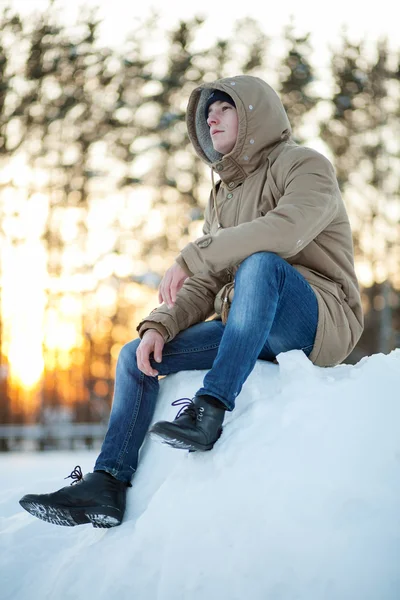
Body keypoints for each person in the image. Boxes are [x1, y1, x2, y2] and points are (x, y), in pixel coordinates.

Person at [19, 75, 364, 528]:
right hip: (247, 323)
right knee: (135, 356)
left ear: (254, 113)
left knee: (260, 264)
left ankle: (211, 408)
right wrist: (161, 324)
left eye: (224, 106)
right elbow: (206, 280)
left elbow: (286, 231)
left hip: (318, 318)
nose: (211, 116)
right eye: (207, 112)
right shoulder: (222, 197)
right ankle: (107, 483)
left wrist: (194, 253)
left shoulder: (304, 165)